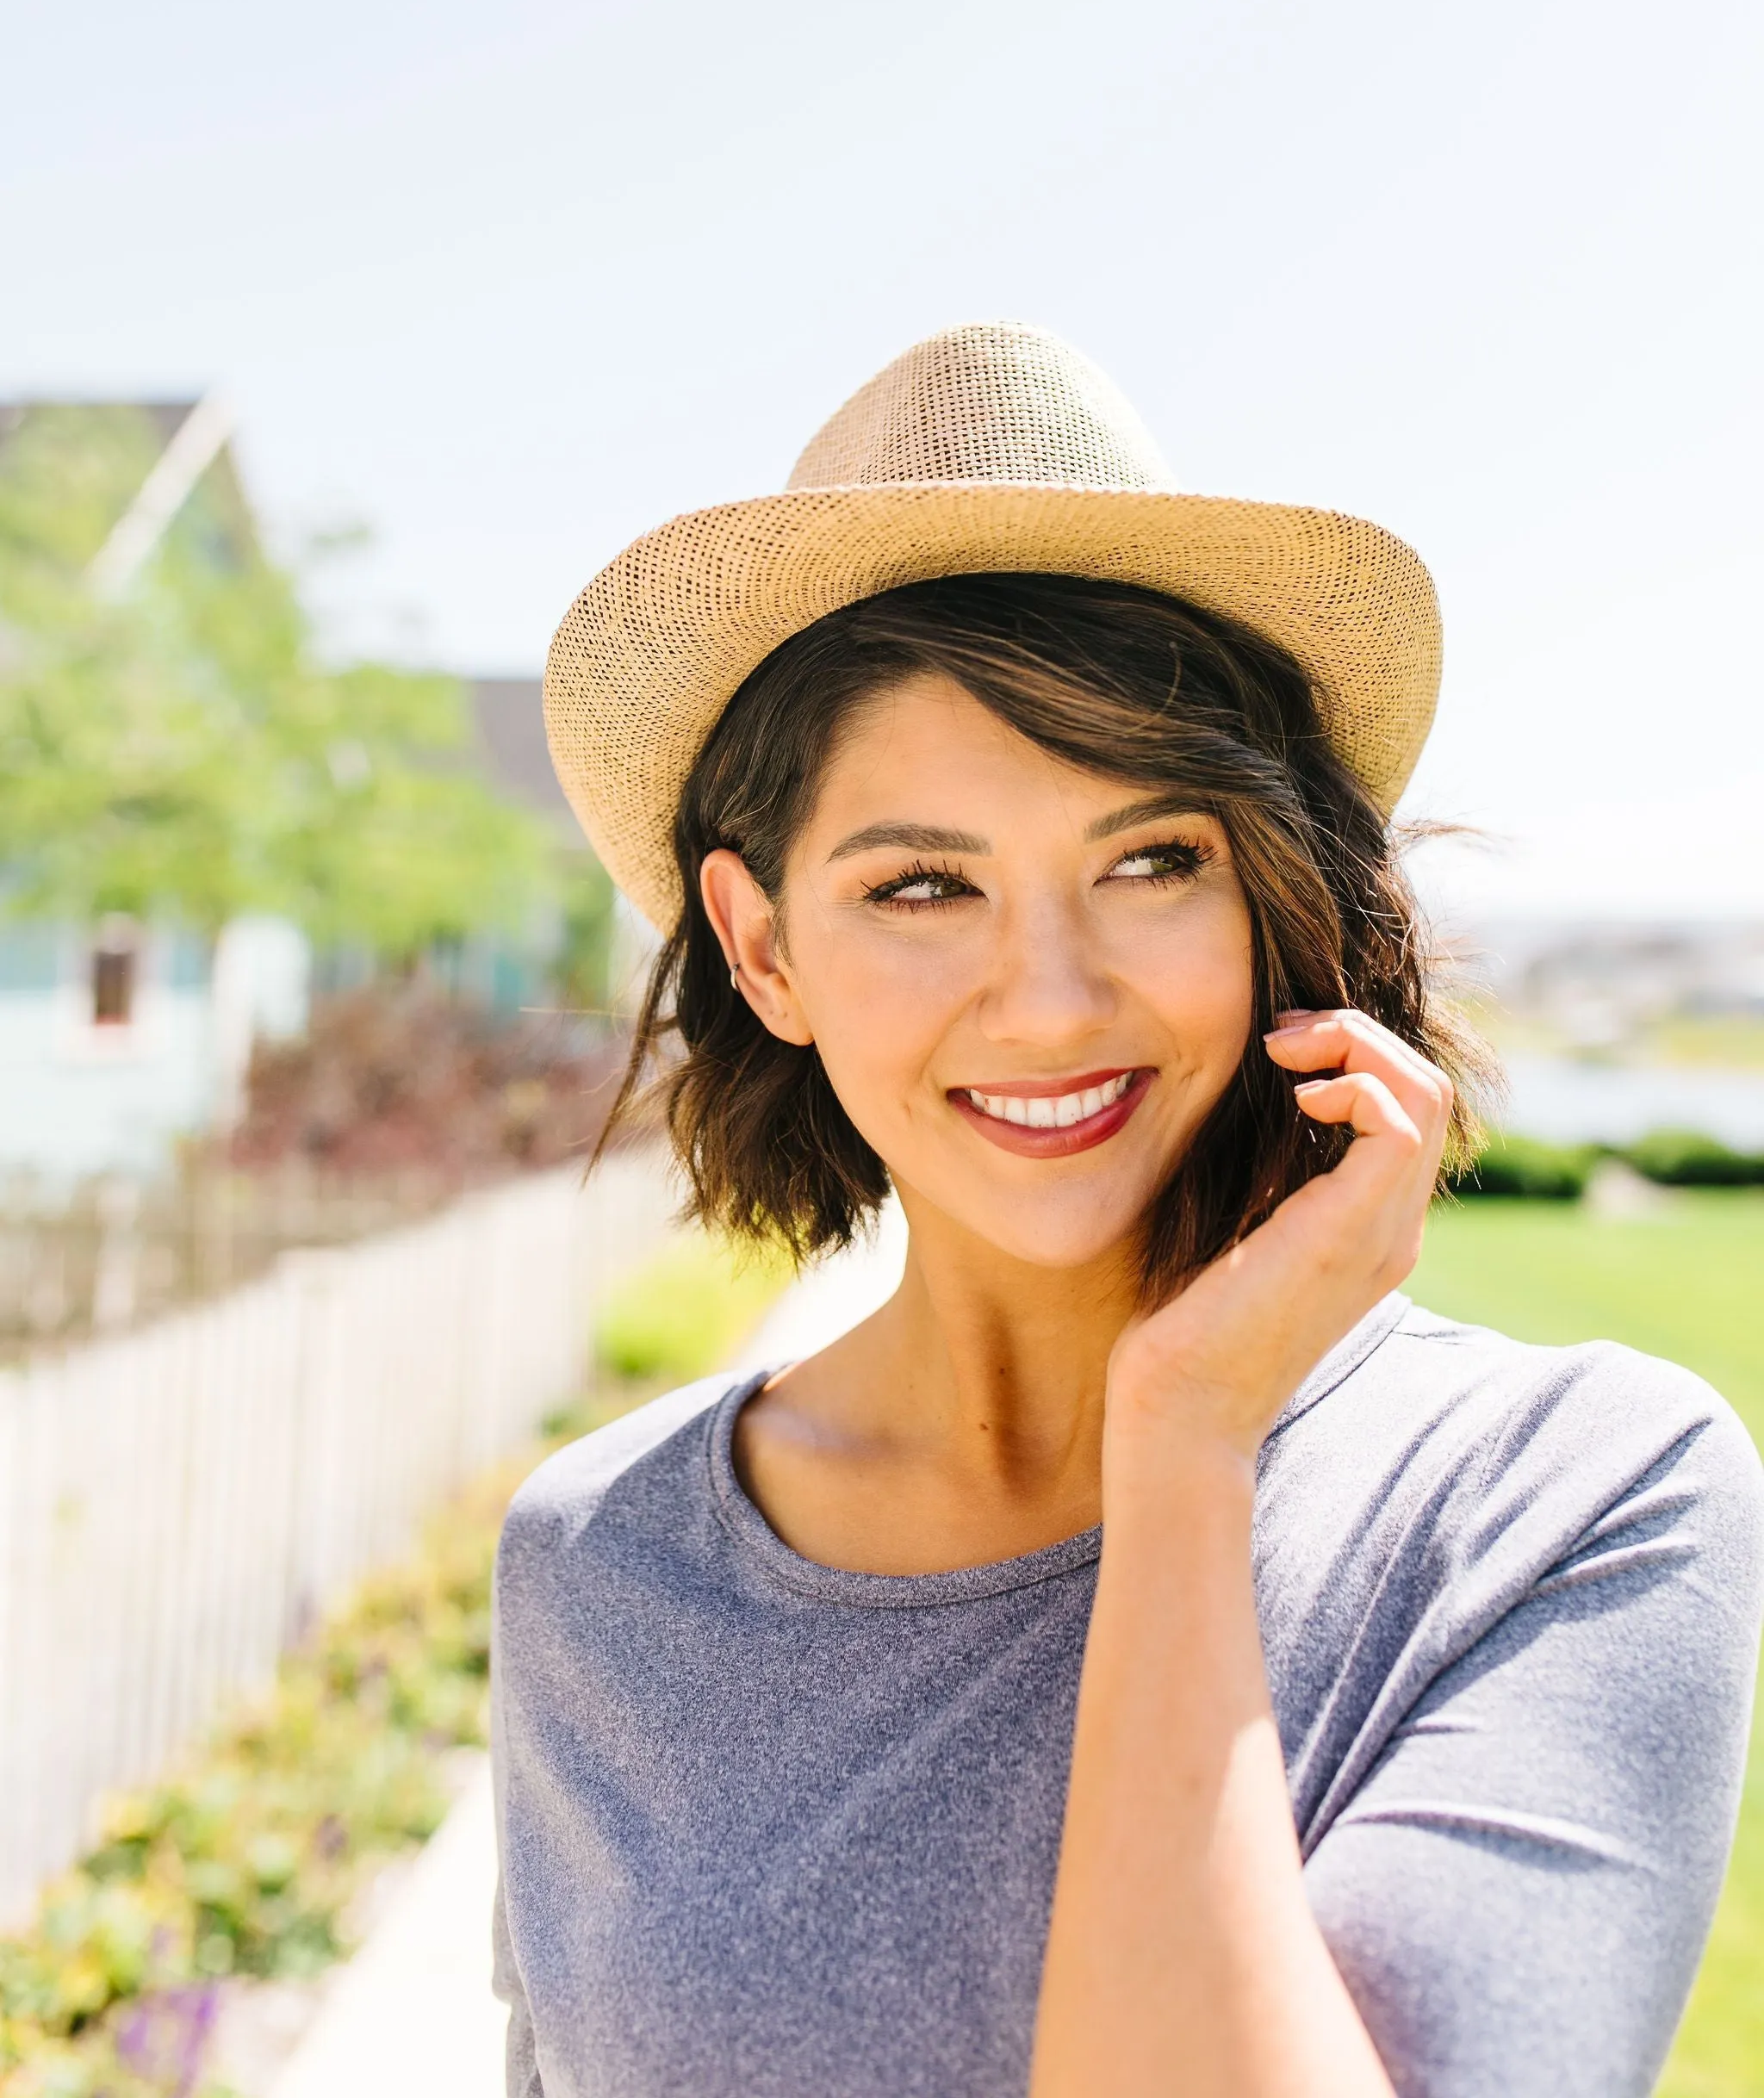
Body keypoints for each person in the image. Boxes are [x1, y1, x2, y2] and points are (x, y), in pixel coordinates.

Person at [494, 323, 1762, 2098]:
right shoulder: (604, 1567)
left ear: (1270, 892)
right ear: (764, 945)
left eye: (1152, 860)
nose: (1051, 1000)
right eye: (924, 884)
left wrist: (1180, 1447)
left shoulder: (1569, 1501)